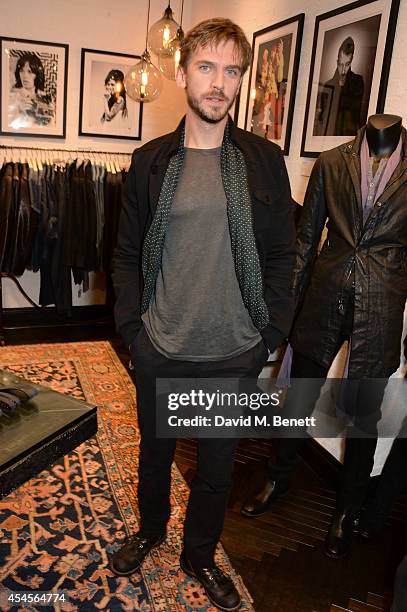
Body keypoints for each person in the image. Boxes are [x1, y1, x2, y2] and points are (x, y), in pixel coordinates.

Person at [112, 17, 296, 611]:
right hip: (161, 345)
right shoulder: (150, 163)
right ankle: (150, 531)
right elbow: (124, 254)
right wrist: (132, 332)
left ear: (241, 80)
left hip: (232, 351)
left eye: (232, 70)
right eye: (207, 67)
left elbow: (282, 255)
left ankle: (199, 555)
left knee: (217, 470)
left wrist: (268, 333)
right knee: (156, 454)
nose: (220, 83)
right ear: (184, 72)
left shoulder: (265, 162)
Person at [242, 114, 407, 560]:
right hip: (325, 292)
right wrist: (283, 312)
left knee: (364, 414)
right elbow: (306, 239)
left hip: (383, 301)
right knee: (298, 396)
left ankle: (347, 512)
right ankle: (277, 477)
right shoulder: (332, 162)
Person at [314, 37, 364, 136]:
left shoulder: (357, 82)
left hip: (349, 136)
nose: (343, 70)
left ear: (351, 61)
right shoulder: (328, 85)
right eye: (341, 65)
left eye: (347, 64)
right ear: (337, 62)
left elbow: (357, 112)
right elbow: (321, 118)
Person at [8, 52, 54, 128]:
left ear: (37, 74)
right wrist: (19, 109)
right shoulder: (12, 95)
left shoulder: (44, 97)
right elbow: (7, 123)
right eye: (22, 71)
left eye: (30, 72)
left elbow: (50, 126)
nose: (25, 76)